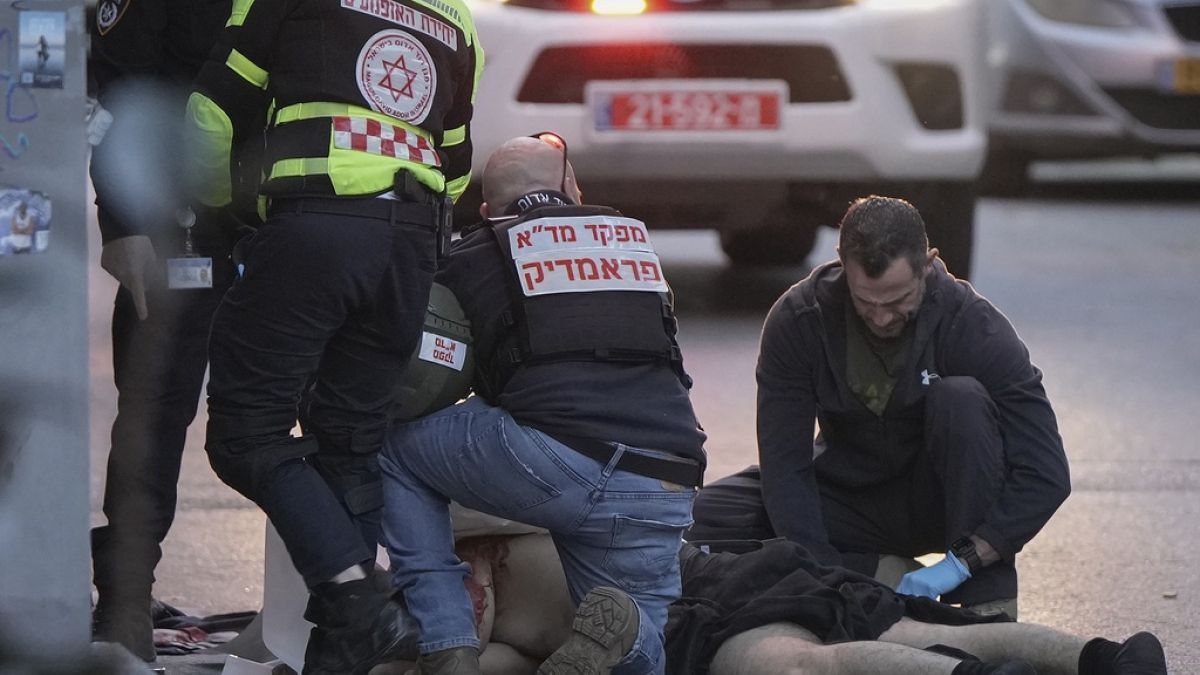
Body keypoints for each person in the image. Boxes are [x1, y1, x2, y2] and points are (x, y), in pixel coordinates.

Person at [183, 0, 483, 672]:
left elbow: (209, 116)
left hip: (315, 227)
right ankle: (347, 644)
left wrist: (222, 212)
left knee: (245, 434)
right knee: (350, 447)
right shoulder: (455, 19)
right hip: (409, 244)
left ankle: (359, 592)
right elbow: (458, 164)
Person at [377, 134, 707, 674]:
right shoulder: (634, 246)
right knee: (639, 636)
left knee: (393, 450)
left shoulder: (474, 251)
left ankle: (447, 643)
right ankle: (627, 643)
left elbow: (423, 359)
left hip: (551, 461)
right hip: (663, 477)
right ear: (572, 189)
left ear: (486, 210)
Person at [688, 195, 1071, 619]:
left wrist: (968, 558)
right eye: (866, 302)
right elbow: (786, 466)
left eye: (897, 301)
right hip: (853, 500)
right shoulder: (800, 319)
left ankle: (982, 600)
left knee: (960, 399)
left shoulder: (973, 325)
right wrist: (823, 574)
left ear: (928, 264)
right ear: (843, 267)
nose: (883, 318)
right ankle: (876, 574)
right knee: (702, 520)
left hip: (949, 500)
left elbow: (1046, 473)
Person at [379, 532, 1169, 675]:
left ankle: (1106, 658)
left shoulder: (493, 528)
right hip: (706, 613)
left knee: (875, 632)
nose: (467, 602)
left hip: (719, 589)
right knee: (838, 647)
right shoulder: (500, 643)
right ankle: (1098, 659)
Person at [86, 0, 246, 661]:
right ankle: (123, 599)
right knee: (155, 413)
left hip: (285, 223)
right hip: (177, 224)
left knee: (270, 428)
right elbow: (117, 90)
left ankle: (333, 594)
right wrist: (121, 223)